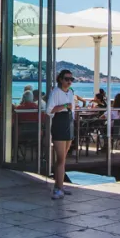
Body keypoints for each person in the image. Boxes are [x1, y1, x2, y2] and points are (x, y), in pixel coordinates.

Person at [47, 69, 77, 200]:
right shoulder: (55, 92)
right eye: (67, 79)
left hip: (68, 123)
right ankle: (57, 188)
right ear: (60, 79)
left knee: (64, 158)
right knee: (60, 158)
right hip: (59, 123)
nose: (69, 81)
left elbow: (73, 109)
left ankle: (60, 184)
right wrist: (65, 106)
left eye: (71, 79)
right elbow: (49, 110)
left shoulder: (70, 92)